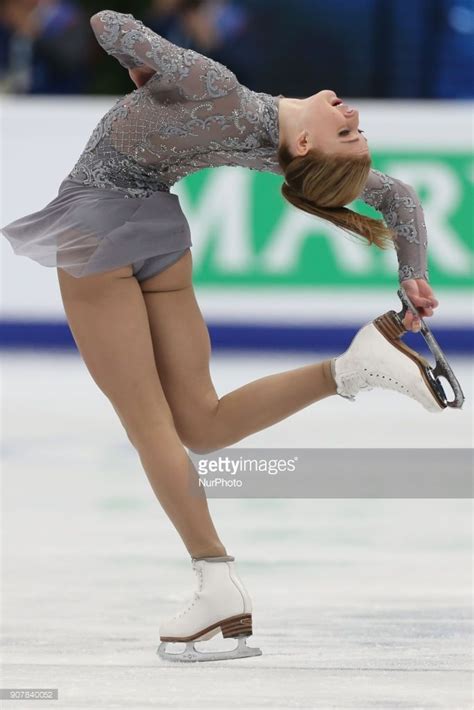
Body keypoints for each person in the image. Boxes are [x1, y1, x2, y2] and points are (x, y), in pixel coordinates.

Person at [1, 10, 440, 662]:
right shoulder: (262, 137)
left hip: (99, 222)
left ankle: (215, 581)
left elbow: (108, 22)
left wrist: (149, 66)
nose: (353, 118)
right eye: (357, 129)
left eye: (347, 134)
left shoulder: (216, 86)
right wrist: (412, 277)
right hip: (160, 231)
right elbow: (398, 196)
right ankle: (348, 371)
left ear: (305, 150)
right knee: (201, 425)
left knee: (152, 428)